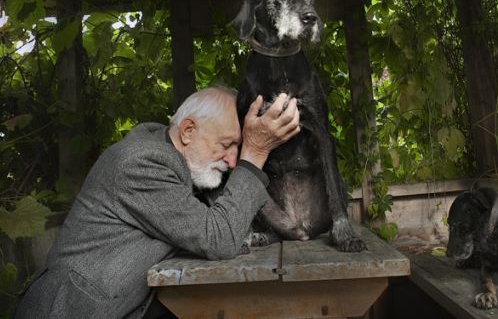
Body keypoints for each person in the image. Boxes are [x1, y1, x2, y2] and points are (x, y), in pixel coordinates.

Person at [14, 86, 300, 319]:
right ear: (188, 131)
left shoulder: (171, 155)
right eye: (226, 145)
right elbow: (220, 238)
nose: (232, 160)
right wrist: (256, 151)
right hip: (70, 311)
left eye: (238, 149)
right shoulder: (142, 163)